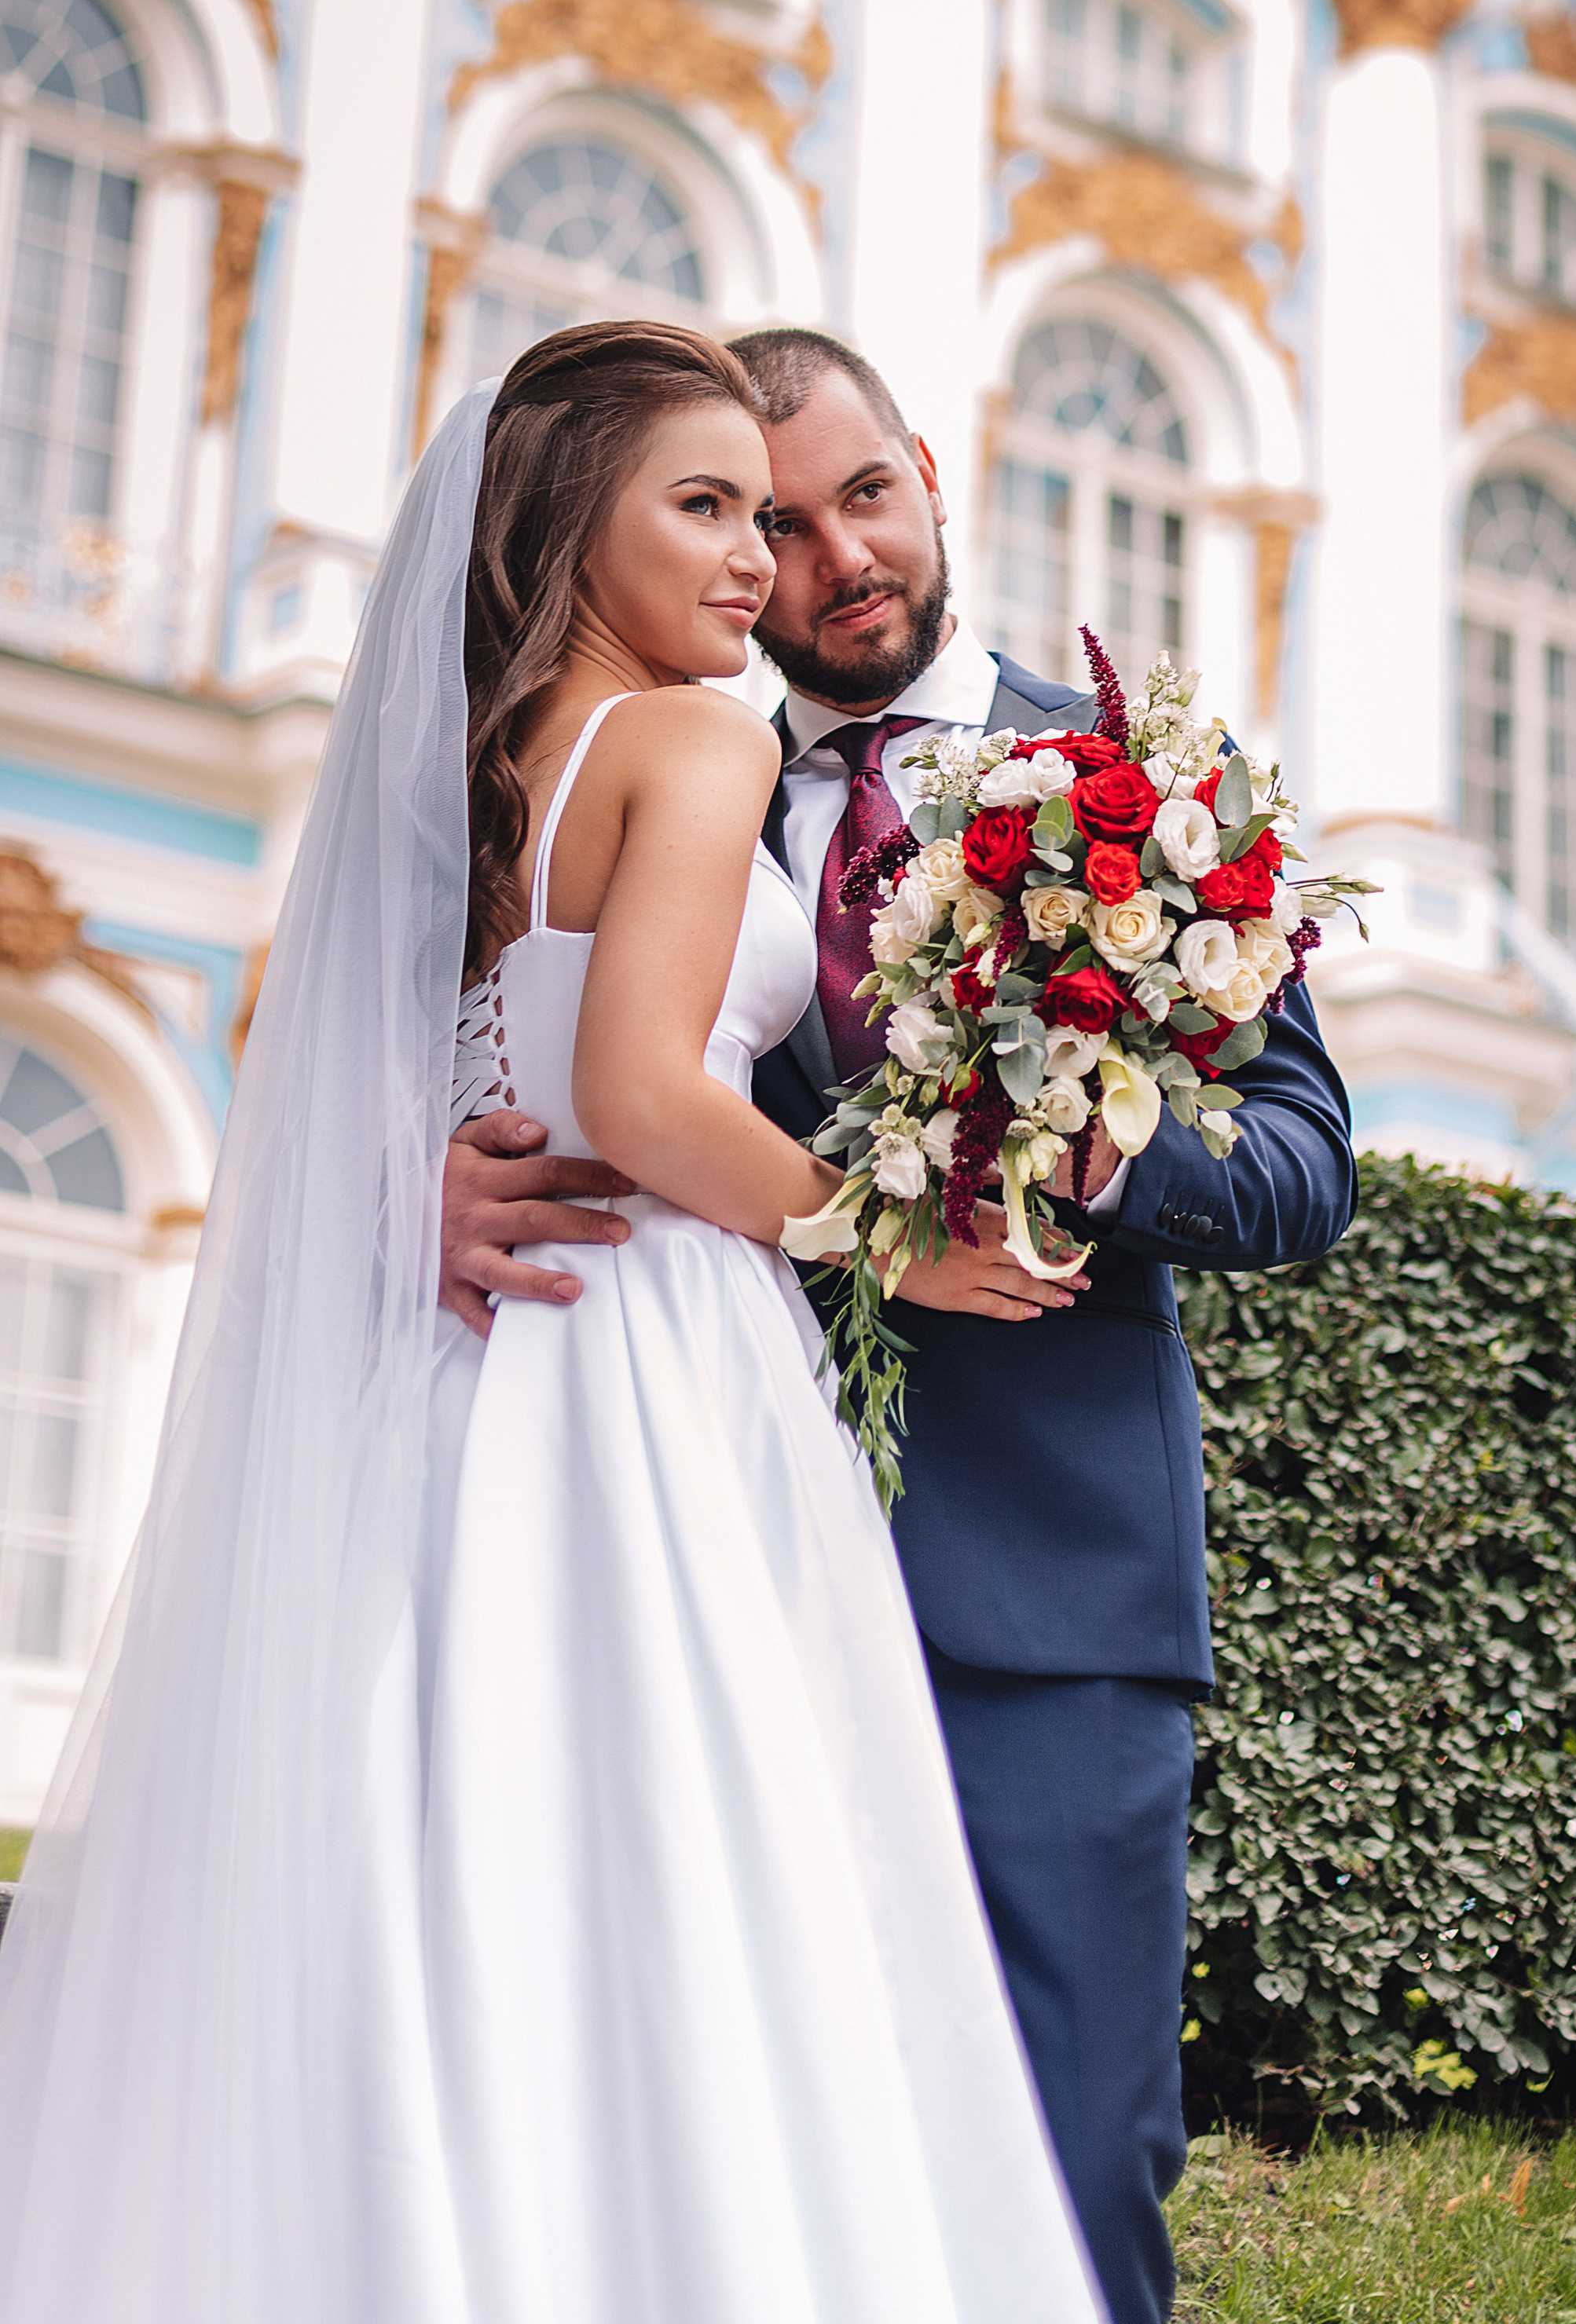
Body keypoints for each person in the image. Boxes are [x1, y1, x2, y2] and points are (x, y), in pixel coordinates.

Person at [0, 322, 1106, 2324]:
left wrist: (414, 1174)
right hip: (643, 1339)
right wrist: (900, 1232)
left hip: (479, 1349)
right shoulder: (701, 739)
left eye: (764, 514)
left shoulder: (478, 772)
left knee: (448, 1833)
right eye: (703, 508)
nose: (760, 560)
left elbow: (398, 1058)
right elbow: (648, 1097)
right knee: (675, 1852)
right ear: (567, 527)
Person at [444, 327, 1358, 2324]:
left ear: (928, 476)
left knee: (1062, 2147)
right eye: (767, 520)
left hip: (1044, 1584)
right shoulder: (664, 749)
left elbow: (1304, 1169)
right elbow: (547, 1049)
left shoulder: (1137, 790)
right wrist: (443, 1166)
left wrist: (1083, 1150)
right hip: (708, 1544)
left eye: (861, 495)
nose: (826, 556)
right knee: (736, 2137)